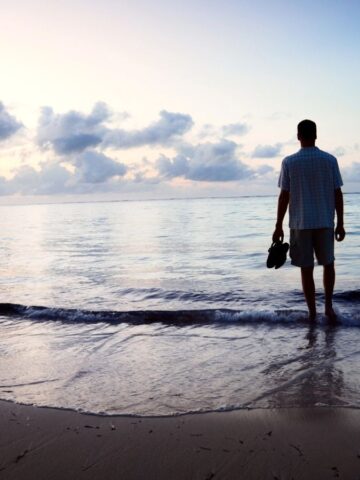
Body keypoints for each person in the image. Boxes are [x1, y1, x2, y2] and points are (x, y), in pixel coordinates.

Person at [272, 120, 345, 322]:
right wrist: (340, 223)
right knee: (328, 265)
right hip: (324, 221)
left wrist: (278, 226)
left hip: (300, 223)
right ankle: (328, 308)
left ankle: (312, 313)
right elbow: (337, 193)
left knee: (307, 269)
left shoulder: (289, 162)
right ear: (315, 135)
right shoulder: (330, 160)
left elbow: (284, 196)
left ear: (298, 136)